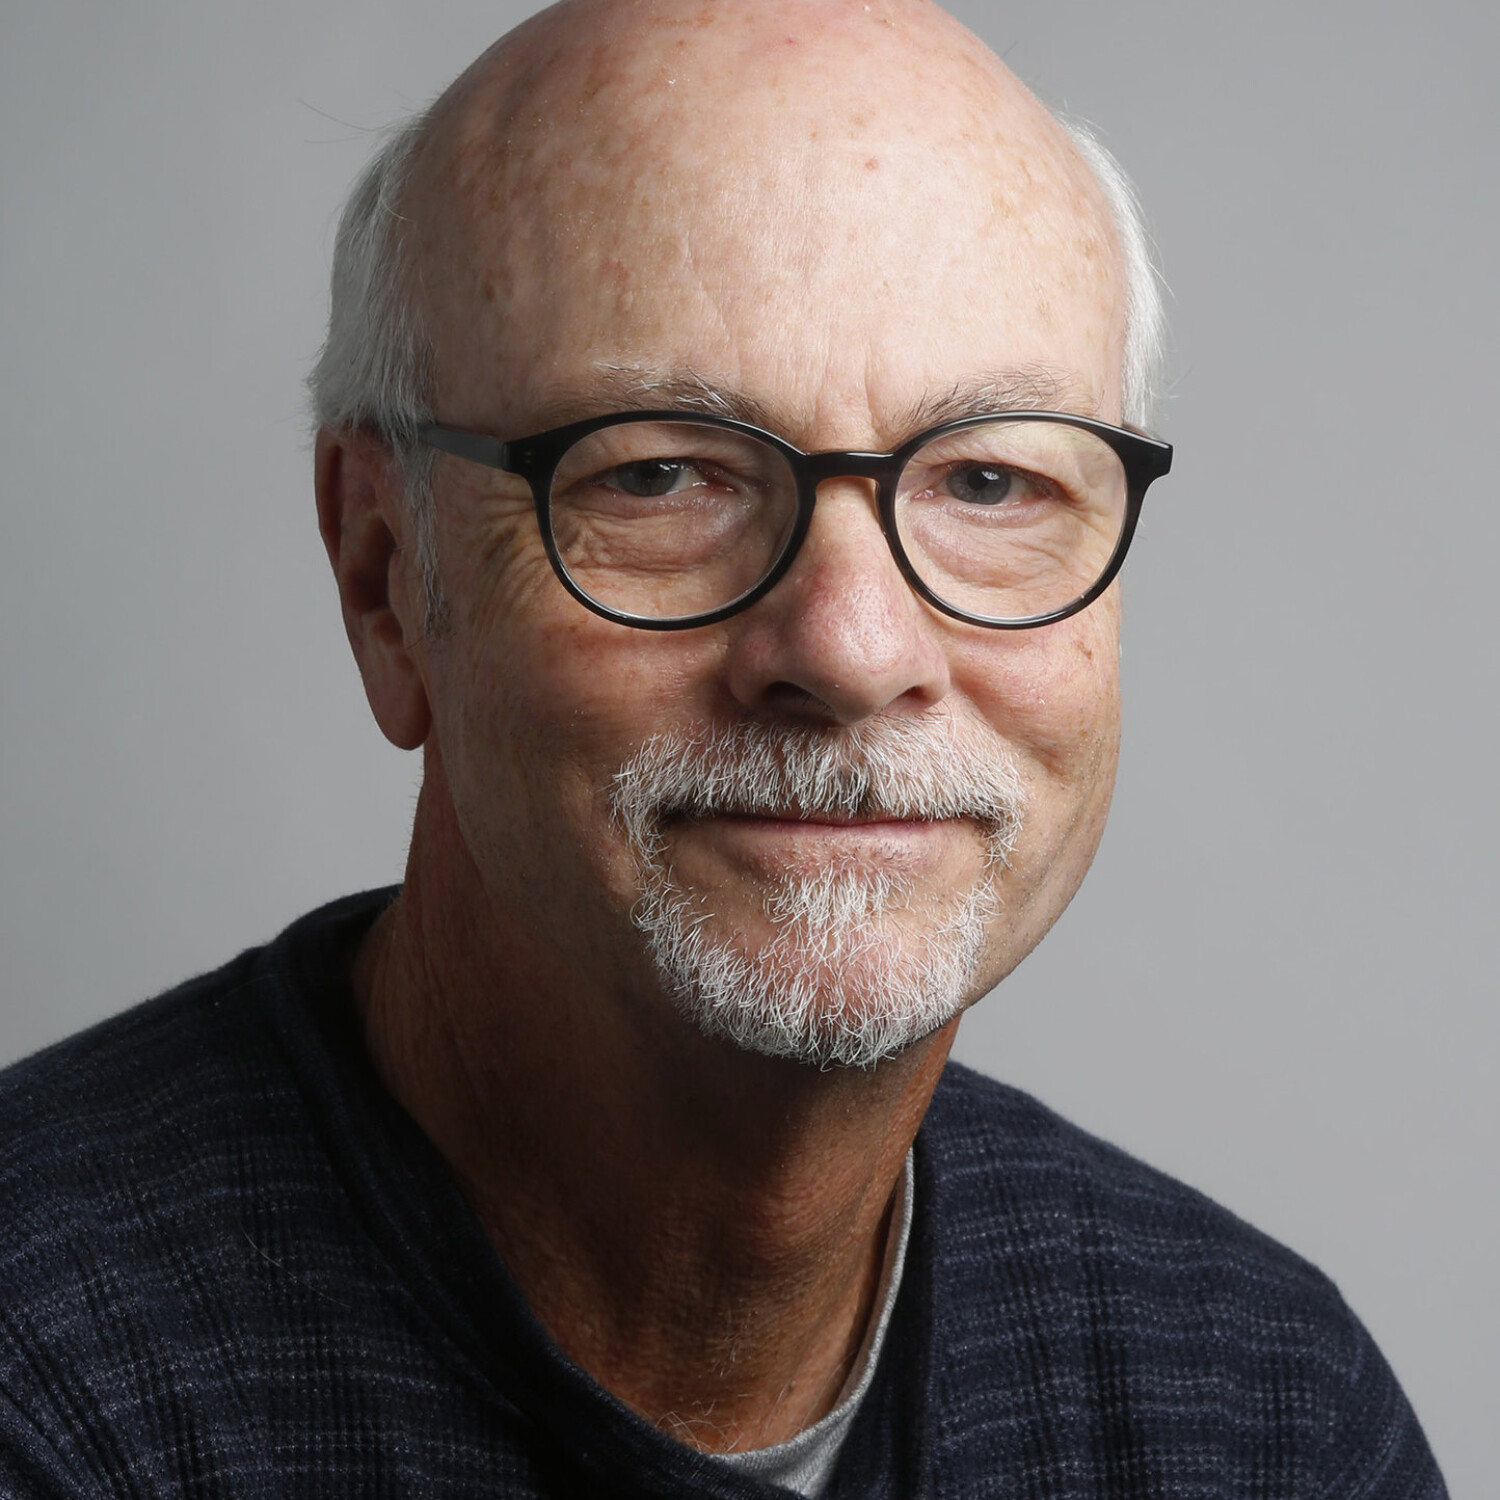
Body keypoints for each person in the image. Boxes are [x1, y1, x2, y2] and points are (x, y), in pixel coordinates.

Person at [0, 1, 1446, 1495]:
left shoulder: (1263, 1414)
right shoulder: (43, 1393)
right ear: (386, 577)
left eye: (993, 480)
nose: (851, 649)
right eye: (662, 474)